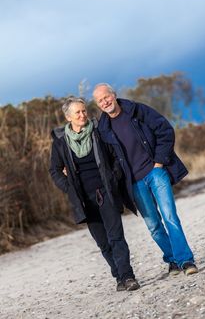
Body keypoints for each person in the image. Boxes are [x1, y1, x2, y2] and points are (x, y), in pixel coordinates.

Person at [93, 83, 198, 276]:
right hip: (134, 183)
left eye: (106, 97)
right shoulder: (103, 129)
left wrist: (159, 161)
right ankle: (172, 259)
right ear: (98, 105)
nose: (105, 102)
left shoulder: (137, 110)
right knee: (154, 226)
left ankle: (186, 260)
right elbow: (103, 159)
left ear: (114, 95)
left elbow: (165, 130)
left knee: (170, 217)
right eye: (100, 100)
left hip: (155, 172)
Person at [49, 97, 140, 291]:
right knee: (103, 243)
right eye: (78, 113)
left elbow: (115, 158)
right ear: (68, 117)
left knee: (116, 237)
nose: (83, 115)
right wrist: (69, 188)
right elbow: (55, 171)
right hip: (84, 200)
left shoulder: (99, 133)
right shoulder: (60, 143)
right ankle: (118, 277)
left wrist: (114, 178)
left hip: (106, 192)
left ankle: (128, 276)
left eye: (84, 111)